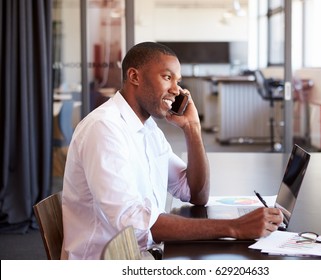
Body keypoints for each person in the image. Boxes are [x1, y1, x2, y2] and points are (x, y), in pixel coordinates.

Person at [61, 42, 283, 260]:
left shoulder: (148, 128)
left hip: (143, 251)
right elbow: (133, 223)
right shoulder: (103, 128)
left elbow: (196, 193)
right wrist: (234, 228)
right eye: (167, 77)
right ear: (134, 77)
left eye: (178, 81)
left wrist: (192, 128)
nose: (176, 90)